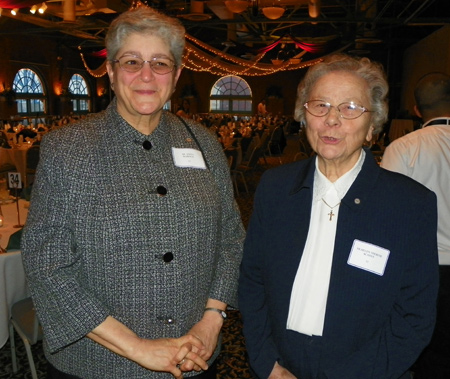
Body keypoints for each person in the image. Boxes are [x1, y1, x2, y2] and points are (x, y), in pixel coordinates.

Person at [21, 6, 244, 379]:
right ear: (110, 71)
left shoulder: (204, 142)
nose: (146, 75)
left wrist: (212, 319)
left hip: (196, 353)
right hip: (98, 364)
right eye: (131, 61)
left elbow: (231, 239)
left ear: (176, 74)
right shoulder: (66, 149)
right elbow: (48, 266)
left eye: (160, 63)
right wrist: (138, 348)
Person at [238, 53, 439, 379]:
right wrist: (267, 363)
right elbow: (252, 281)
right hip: (280, 367)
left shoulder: (410, 205)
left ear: (372, 124)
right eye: (320, 105)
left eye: (350, 108)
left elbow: (414, 317)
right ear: (304, 116)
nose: (332, 120)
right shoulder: (275, 188)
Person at [381, 72, 450, 379]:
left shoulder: (404, 148)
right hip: (428, 268)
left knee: (426, 352)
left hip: (427, 270)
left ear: (416, 109)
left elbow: (388, 217)